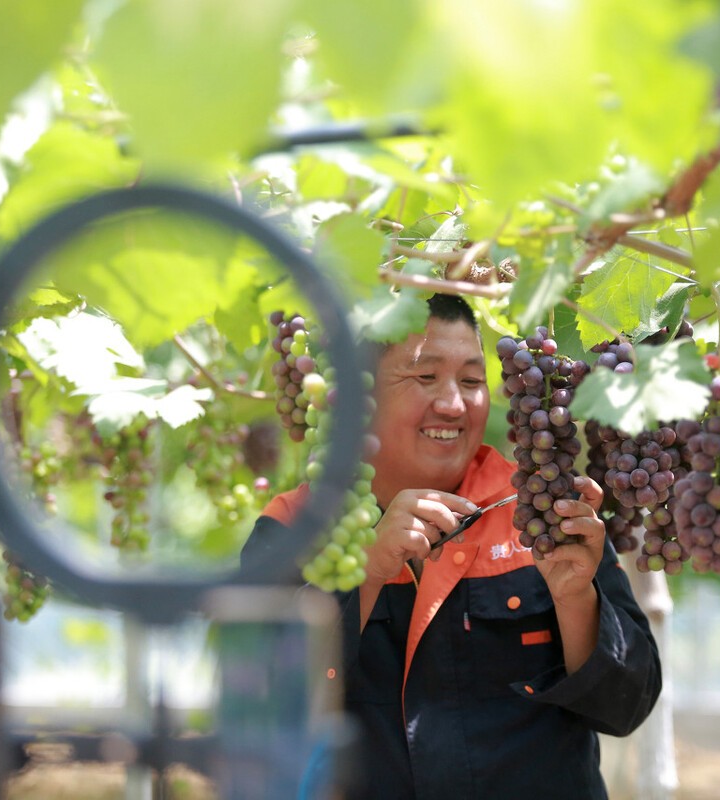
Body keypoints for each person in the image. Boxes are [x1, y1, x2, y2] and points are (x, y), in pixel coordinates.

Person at [253, 294, 661, 799]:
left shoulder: (542, 511)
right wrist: (366, 574)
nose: (453, 403)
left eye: (471, 381)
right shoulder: (295, 528)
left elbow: (627, 706)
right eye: (425, 377)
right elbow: (257, 708)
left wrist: (579, 600)